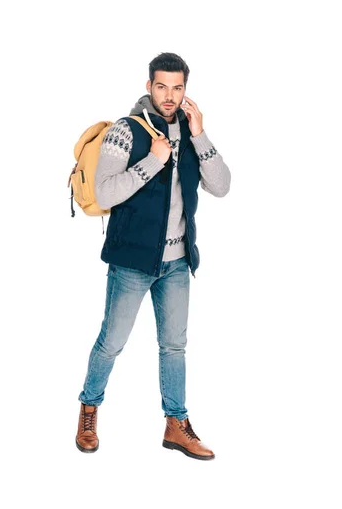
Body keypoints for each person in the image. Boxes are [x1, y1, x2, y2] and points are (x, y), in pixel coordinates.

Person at [76, 52, 231, 460]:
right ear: (149, 86)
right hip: (131, 263)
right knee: (111, 342)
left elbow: (221, 185)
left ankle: (176, 424)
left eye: (177, 88)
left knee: (174, 346)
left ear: (185, 90)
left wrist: (200, 134)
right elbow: (106, 192)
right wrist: (152, 161)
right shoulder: (125, 132)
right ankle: (89, 408)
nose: (169, 95)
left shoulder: (188, 129)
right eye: (161, 86)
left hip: (178, 263)